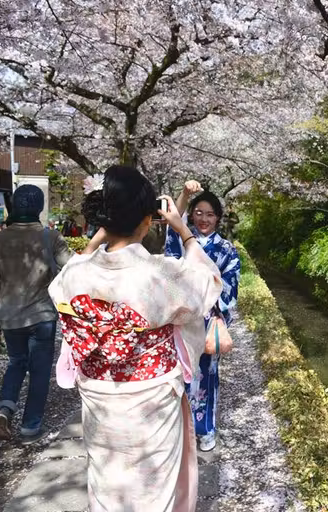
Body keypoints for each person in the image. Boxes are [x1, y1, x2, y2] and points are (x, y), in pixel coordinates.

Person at [48, 166, 222, 511]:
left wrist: (99, 236)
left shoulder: (74, 276)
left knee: (105, 481)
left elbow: (65, 275)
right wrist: (184, 231)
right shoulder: (160, 275)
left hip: (99, 396)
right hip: (151, 397)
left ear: (103, 218)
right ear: (148, 220)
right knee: (154, 489)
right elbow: (208, 281)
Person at [0, 185, 72, 442]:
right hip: (42, 316)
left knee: (16, 363)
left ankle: (4, 409)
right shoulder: (50, 237)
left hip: (10, 317)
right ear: (39, 206)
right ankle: (30, 428)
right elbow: (72, 268)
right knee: (38, 372)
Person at [165, 180, 240, 452]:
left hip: (208, 320)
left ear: (218, 218)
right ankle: (178, 428)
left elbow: (230, 289)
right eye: (199, 213)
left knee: (206, 375)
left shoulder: (227, 250)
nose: (204, 219)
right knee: (179, 372)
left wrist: (208, 302)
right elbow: (173, 224)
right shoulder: (182, 240)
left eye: (210, 214)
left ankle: (205, 429)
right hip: (180, 319)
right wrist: (184, 194)